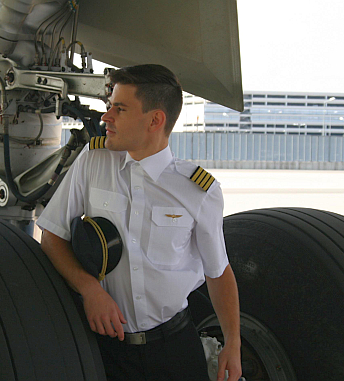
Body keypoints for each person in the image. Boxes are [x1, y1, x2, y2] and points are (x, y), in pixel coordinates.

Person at [37, 64, 242, 381]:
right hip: (105, 350)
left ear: (155, 120)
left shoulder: (198, 190)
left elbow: (218, 272)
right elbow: (52, 236)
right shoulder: (93, 162)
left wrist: (233, 343)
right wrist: (89, 289)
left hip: (173, 349)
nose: (107, 117)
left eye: (119, 109)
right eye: (110, 107)